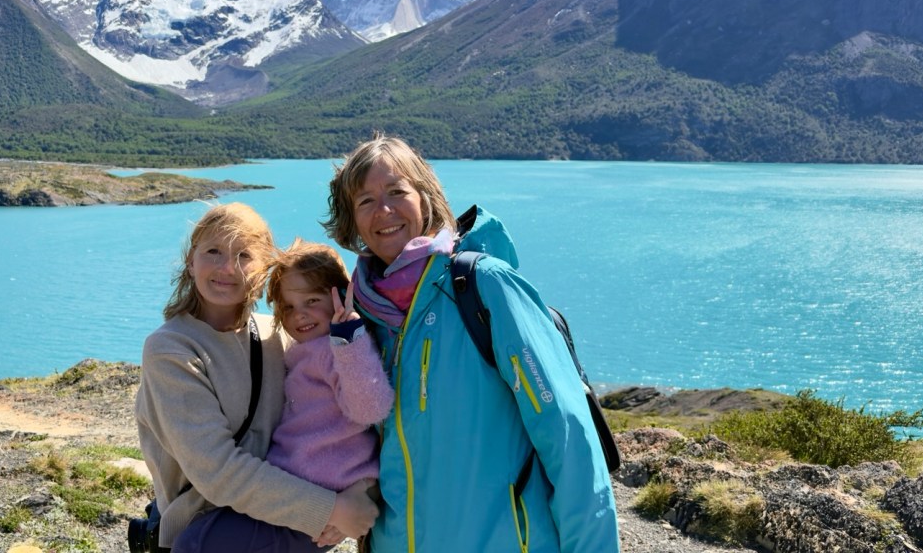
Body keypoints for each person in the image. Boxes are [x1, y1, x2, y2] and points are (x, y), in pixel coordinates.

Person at [324, 135, 620, 553]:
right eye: (365, 200)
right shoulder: (360, 317)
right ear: (351, 219)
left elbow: (568, 435)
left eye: (396, 192)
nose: (384, 211)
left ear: (426, 198)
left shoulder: (484, 287)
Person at [134, 203, 379, 553]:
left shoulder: (277, 336)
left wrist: (362, 484)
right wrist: (333, 509)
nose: (227, 267)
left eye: (244, 255)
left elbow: (339, 414)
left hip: (286, 524)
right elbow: (218, 472)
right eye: (213, 251)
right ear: (191, 261)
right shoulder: (170, 350)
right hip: (206, 533)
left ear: (266, 269)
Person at [264, 240, 393, 492]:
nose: (298, 314)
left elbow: (371, 410)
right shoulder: (303, 350)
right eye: (288, 306)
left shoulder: (339, 349)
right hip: (302, 481)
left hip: (326, 482)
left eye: (311, 300)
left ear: (342, 296)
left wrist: (348, 339)